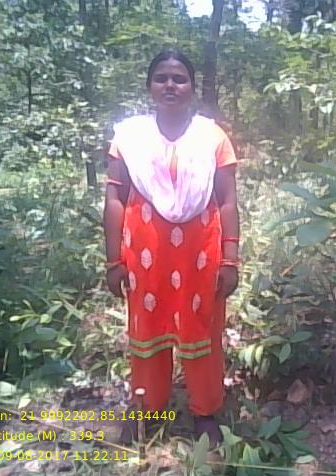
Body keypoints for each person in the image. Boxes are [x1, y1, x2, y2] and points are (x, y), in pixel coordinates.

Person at [102, 49, 240, 445]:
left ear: (192, 87)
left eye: (179, 78)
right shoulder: (130, 138)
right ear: (149, 86)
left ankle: (205, 412)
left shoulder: (213, 138)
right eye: (161, 77)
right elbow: (114, 199)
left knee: (202, 331)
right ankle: (150, 410)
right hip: (145, 258)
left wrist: (231, 259)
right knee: (147, 332)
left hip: (200, 256)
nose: (170, 85)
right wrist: (113, 261)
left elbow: (227, 201)